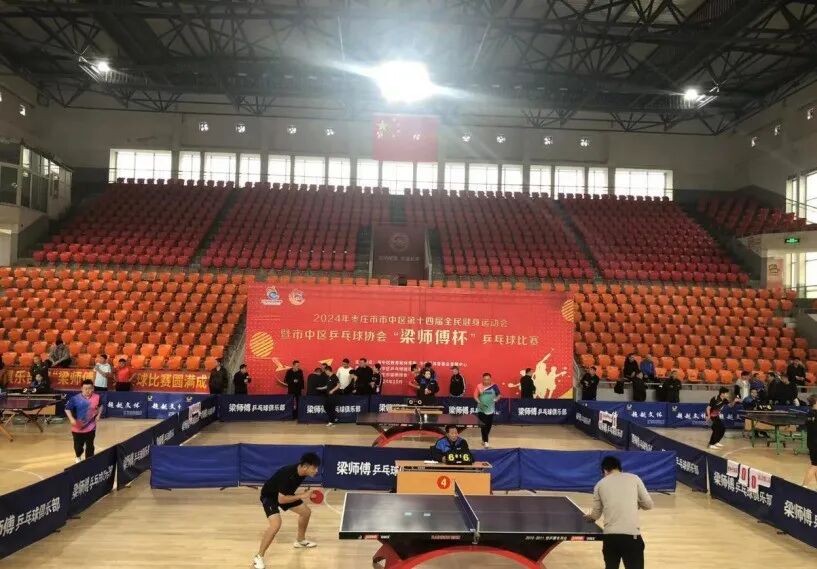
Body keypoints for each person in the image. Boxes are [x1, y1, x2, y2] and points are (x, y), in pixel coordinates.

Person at [253, 452, 322, 569]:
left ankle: (300, 540)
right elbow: (282, 500)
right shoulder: (288, 474)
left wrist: (304, 494)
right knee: (276, 525)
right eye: (314, 468)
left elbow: (286, 492)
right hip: (270, 497)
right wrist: (302, 495)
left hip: (283, 494)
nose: (316, 471)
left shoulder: (302, 472)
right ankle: (258, 556)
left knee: (306, 512)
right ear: (305, 466)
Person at [585, 455, 653, 569]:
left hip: (610, 538)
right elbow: (649, 505)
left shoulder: (600, 484)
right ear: (620, 468)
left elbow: (595, 515)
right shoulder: (634, 478)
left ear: (605, 470)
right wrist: (635, 503)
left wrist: (590, 517)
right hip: (631, 537)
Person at [64, 379, 101, 463]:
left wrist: (98, 415)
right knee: (78, 447)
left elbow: (100, 406)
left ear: (93, 389)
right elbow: (67, 409)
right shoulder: (75, 398)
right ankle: (78, 456)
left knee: (90, 445)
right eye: (85, 389)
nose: (88, 391)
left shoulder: (97, 397)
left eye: (90, 388)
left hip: (91, 427)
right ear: (81, 389)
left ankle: (89, 461)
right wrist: (71, 419)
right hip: (77, 428)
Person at [474, 373, 501, 448]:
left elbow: (499, 394)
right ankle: (486, 441)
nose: (486, 381)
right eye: (485, 379)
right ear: (483, 379)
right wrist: (479, 402)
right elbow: (475, 396)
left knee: (488, 426)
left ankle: (484, 439)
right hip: (481, 409)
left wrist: (496, 399)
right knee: (483, 425)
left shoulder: (494, 386)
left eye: (488, 379)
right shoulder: (479, 386)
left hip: (490, 409)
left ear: (490, 379)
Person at [802, 394, 817, 488]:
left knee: (815, 465)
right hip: (816, 443)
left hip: (811, 442)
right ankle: (803, 487)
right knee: (814, 465)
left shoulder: (809, 413)